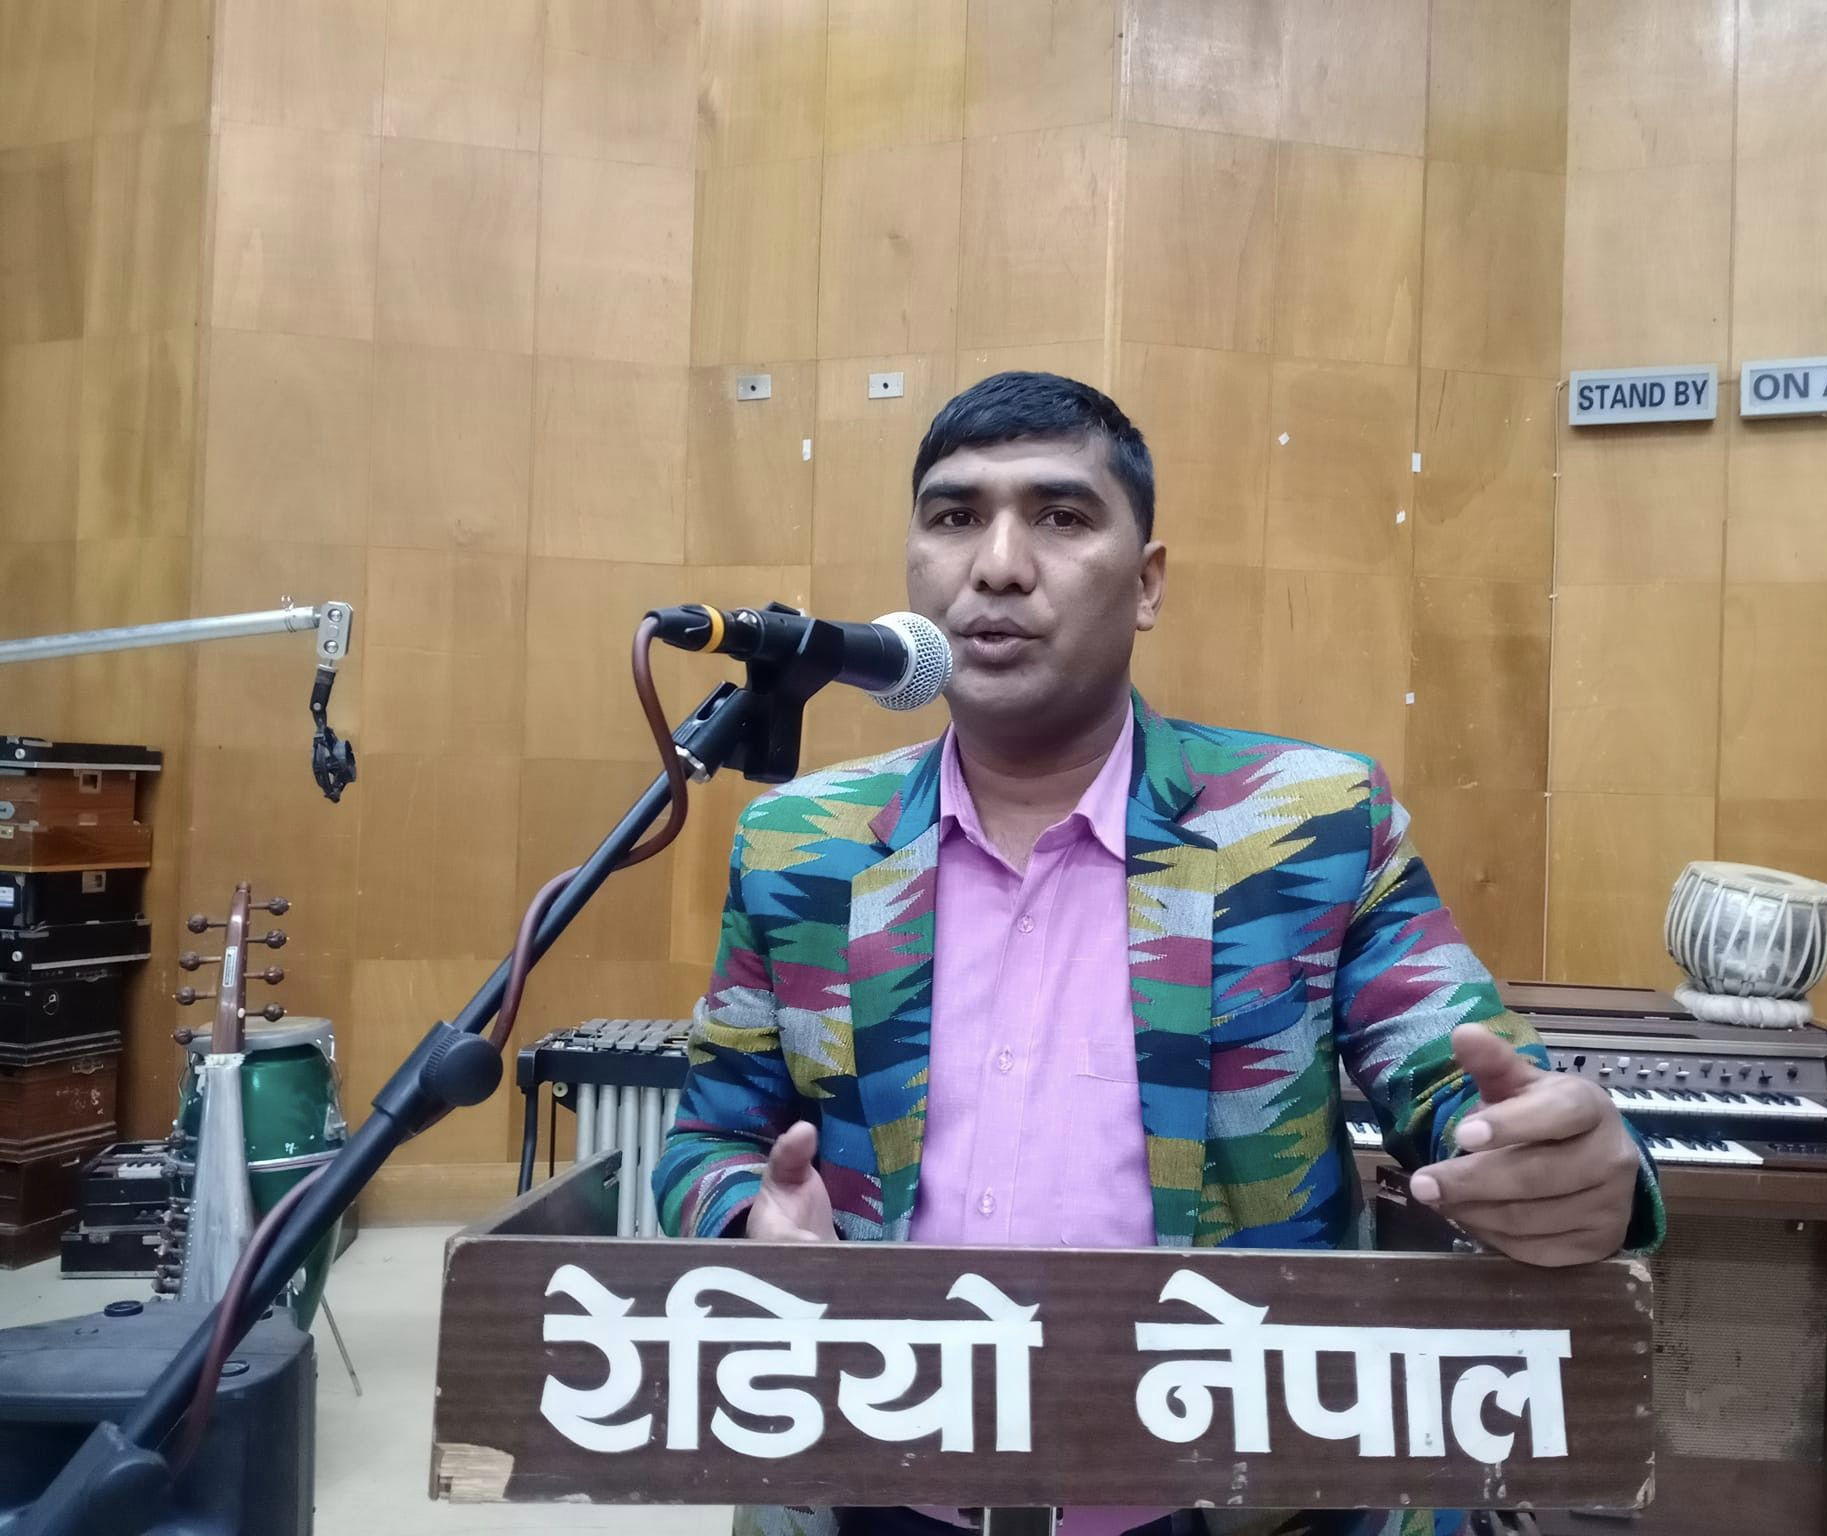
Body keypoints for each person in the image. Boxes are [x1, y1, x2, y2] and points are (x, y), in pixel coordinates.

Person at [654, 372, 1663, 1536]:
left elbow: (1468, 1086)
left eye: (1060, 516)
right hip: (869, 1481)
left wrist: (1564, 1172)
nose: (997, 565)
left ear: (1145, 585)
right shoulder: (800, 843)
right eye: (953, 516)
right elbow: (708, 1141)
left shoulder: (1311, 821)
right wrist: (747, 1221)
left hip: (1230, 1495)